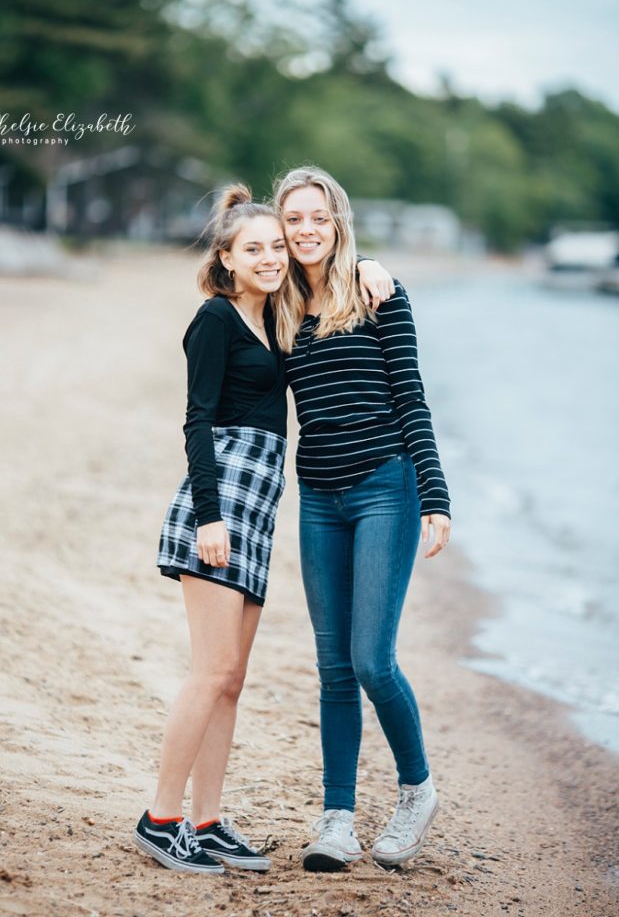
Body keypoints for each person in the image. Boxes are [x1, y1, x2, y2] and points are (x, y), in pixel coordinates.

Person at [134, 184, 392, 876]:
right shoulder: (213, 320)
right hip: (216, 506)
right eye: (255, 248)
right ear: (226, 257)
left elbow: (332, 276)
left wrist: (371, 268)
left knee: (233, 678)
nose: (273, 256)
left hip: (259, 505)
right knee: (210, 671)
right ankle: (161, 818)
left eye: (277, 245)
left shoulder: (277, 314)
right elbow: (196, 420)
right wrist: (210, 517)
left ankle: (208, 820)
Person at [274, 166, 451, 872]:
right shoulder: (276, 306)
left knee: (371, 659)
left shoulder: (378, 292)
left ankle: (416, 789)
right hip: (317, 498)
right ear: (281, 229)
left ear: (338, 222)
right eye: (294, 220)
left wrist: (434, 496)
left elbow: (411, 398)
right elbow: (226, 269)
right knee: (331, 666)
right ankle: (337, 820)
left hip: (386, 486)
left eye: (318, 217)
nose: (306, 230)